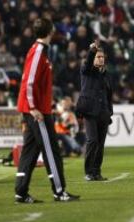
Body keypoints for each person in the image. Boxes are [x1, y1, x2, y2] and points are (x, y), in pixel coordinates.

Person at [15, 18, 80, 203]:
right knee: (51, 150)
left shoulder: (39, 51)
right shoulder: (38, 52)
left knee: (30, 151)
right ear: (51, 31)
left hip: (37, 109)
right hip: (38, 112)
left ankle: (21, 192)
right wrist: (33, 107)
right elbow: (29, 82)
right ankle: (59, 191)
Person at [76, 40, 113, 181]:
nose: (101, 58)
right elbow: (87, 64)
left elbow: (109, 95)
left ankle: (96, 171)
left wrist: (109, 112)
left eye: (102, 57)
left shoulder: (106, 74)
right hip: (90, 112)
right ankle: (88, 172)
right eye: (98, 56)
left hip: (103, 113)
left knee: (100, 144)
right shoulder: (87, 71)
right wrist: (92, 51)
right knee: (92, 141)